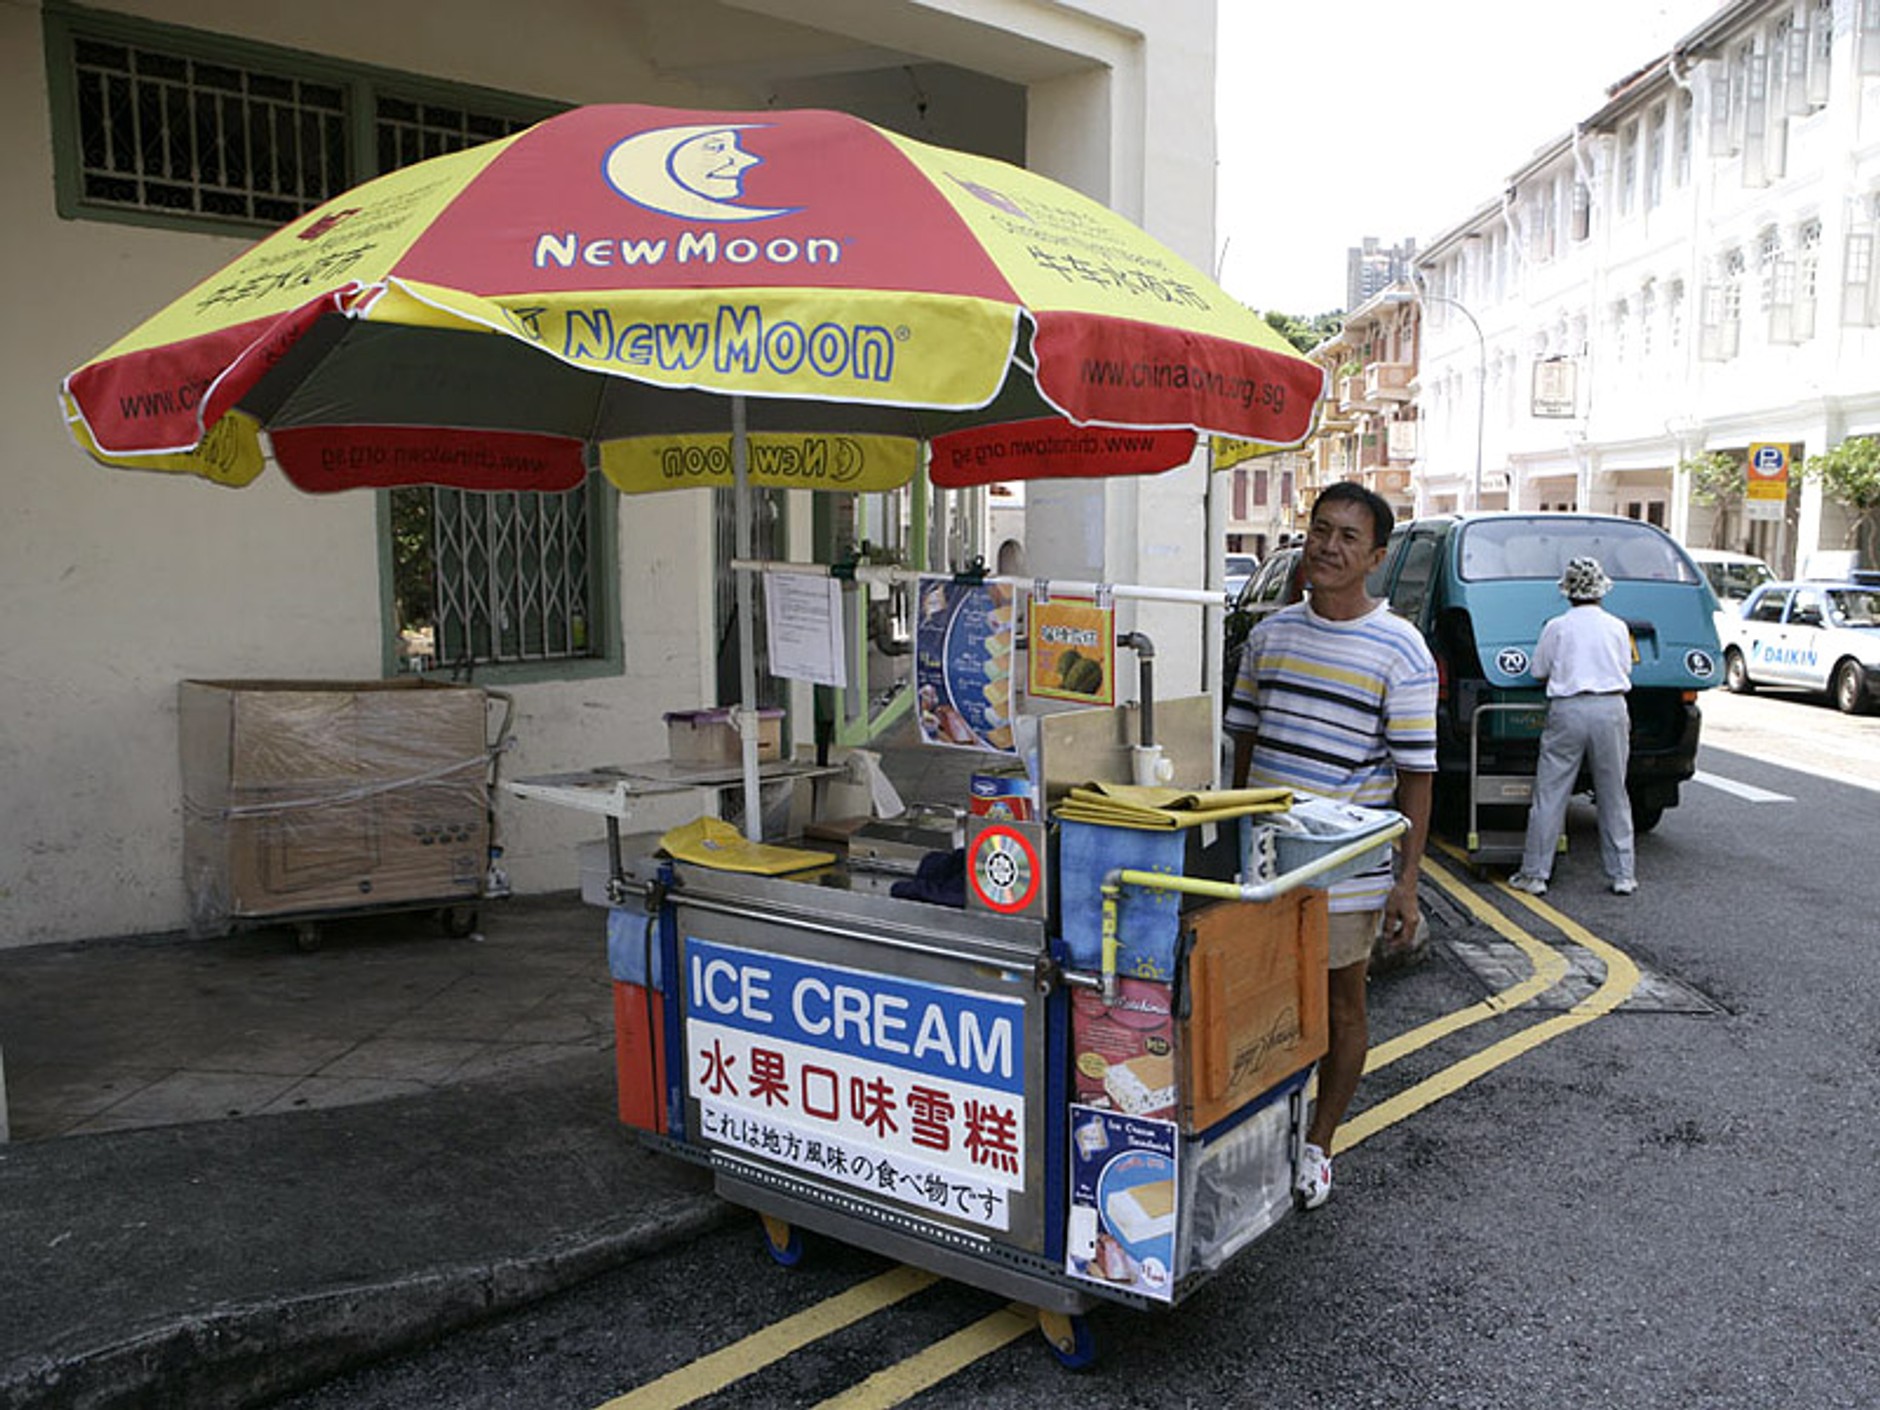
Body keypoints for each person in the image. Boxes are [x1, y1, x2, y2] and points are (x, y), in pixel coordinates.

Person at [1225, 482, 1436, 1210]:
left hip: (1346, 871)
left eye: (1349, 536)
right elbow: (1243, 745)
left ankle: (1319, 1143)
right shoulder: (1270, 635)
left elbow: (1417, 776)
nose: (1328, 546)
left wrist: (1406, 884)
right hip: (1262, 864)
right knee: (1257, 1005)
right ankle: (1261, 1134)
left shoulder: (1402, 648)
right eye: (1320, 530)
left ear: (1376, 556)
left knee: (1341, 1004)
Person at [1508, 557, 1638, 898]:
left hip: (1568, 710)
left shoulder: (1557, 626)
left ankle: (1535, 874)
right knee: (1614, 793)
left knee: (1551, 793)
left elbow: (1538, 670)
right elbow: (1625, 666)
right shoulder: (1617, 627)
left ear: (1567, 592)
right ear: (1601, 591)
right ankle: (1622, 874)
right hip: (1611, 707)